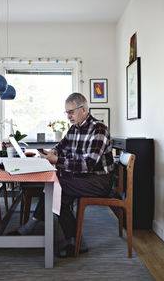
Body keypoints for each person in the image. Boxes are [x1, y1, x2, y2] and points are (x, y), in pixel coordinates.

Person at [7, 92, 114, 257]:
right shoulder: (74, 129)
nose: (68, 116)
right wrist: (52, 152)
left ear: (84, 109)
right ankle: (77, 242)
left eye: (71, 112)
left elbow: (88, 164)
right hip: (82, 178)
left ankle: (30, 226)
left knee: (57, 187)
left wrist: (57, 160)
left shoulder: (98, 129)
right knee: (56, 189)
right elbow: (61, 146)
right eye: (67, 112)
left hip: (98, 181)